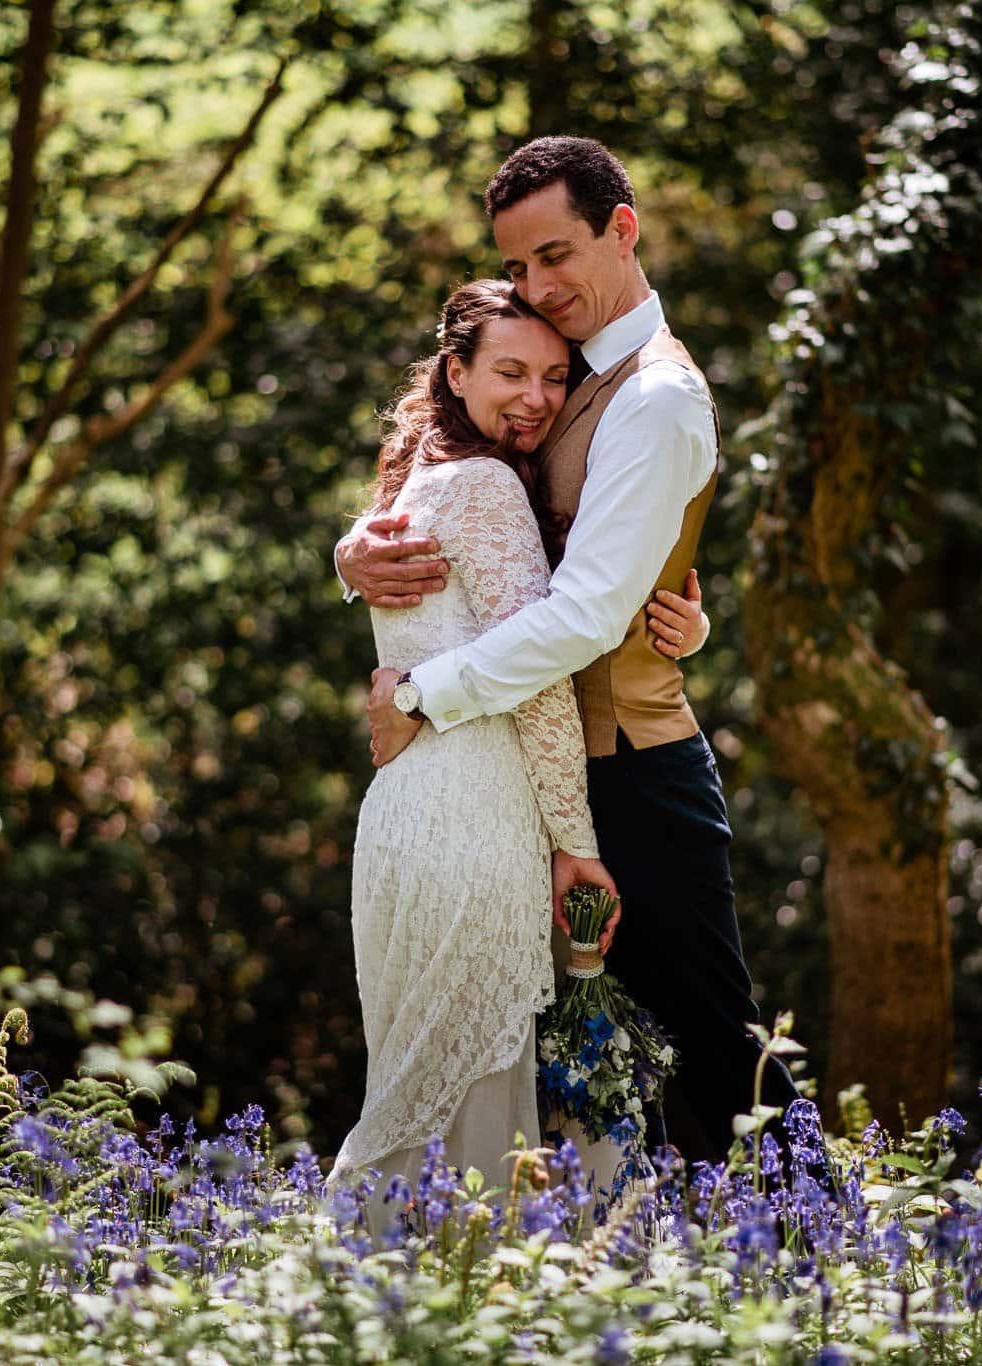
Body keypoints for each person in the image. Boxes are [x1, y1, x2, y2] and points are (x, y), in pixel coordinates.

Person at [338, 136, 808, 1172]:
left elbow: (590, 611)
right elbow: (461, 505)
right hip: (536, 782)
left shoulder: (652, 398)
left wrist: (423, 689)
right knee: (591, 1093)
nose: (536, 287)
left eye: (554, 255)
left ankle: (836, 1292)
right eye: (514, 269)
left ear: (621, 229)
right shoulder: (564, 380)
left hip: (633, 775)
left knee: (721, 1068)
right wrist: (355, 553)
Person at [325, 279, 645, 1202]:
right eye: (510, 371)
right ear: (454, 374)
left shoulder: (418, 484)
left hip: (403, 824)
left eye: (554, 376)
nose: (537, 397)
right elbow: (541, 683)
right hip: (474, 822)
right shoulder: (490, 486)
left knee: (411, 1103)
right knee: (461, 1128)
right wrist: (577, 851)